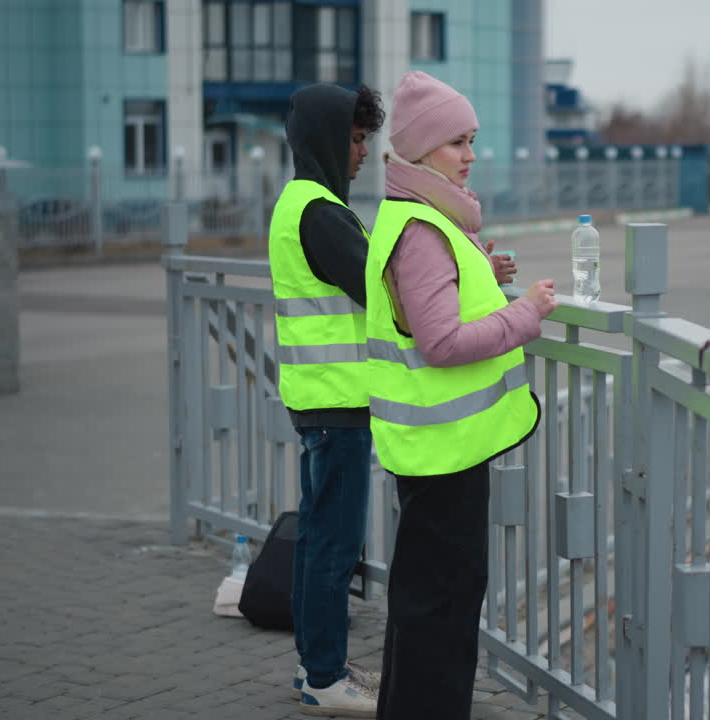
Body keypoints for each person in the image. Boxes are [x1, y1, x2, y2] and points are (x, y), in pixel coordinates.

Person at [364, 71, 559, 720]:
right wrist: (527, 312)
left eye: (472, 140)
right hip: (442, 452)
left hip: (433, 449)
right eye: (458, 142)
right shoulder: (422, 228)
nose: (471, 156)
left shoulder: (417, 219)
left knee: (425, 606)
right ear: (420, 153)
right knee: (439, 613)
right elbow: (442, 342)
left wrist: (486, 270)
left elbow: (434, 299)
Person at [268, 81, 384, 717]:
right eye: (357, 138)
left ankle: (319, 667)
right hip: (338, 407)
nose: (363, 152)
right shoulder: (319, 212)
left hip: (317, 400)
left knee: (317, 542)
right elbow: (383, 289)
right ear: (325, 139)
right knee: (334, 548)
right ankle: (324, 680)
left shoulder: (299, 203)